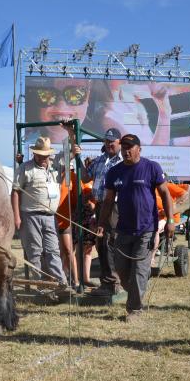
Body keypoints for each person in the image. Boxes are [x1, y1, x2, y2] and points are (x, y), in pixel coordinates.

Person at [96, 133, 174, 322]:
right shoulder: (114, 172)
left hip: (146, 229)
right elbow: (107, 201)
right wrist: (101, 223)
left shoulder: (151, 168)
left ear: (139, 149)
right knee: (122, 272)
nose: (126, 151)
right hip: (122, 229)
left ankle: (134, 310)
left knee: (138, 270)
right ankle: (137, 293)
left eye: (130, 147)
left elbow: (165, 195)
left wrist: (170, 221)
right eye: (123, 147)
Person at [72, 127, 123, 296]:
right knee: (101, 244)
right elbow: (86, 177)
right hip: (100, 205)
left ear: (119, 142)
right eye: (107, 141)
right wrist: (78, 158)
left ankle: (113, 282)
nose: (109, 144)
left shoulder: (123, 161)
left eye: (112, 141)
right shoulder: (100, 160)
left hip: (115, 206)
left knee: (109, 241)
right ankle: (107, 281)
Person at [11, 137, 67, 287]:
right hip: (30, 216)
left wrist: (70, 133)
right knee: (35, 252)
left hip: (50, 216)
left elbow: (70, 153)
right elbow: (15, 192)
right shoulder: (24, 168)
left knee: (53, 250)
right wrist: (16, 217)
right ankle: (42, 286)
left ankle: (60, 284)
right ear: (34, 154)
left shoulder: (55, 166)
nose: (43, 158)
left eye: (46, 155)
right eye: (40, 155)